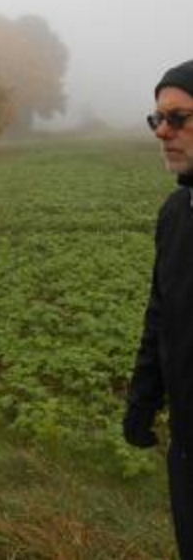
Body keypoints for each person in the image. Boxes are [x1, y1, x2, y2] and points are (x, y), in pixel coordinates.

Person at [124, 59, 193, 559]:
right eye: (157, 120)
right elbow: (161, 313)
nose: (162, 132)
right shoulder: (176, 215)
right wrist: (143, 399)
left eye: (178, 118)